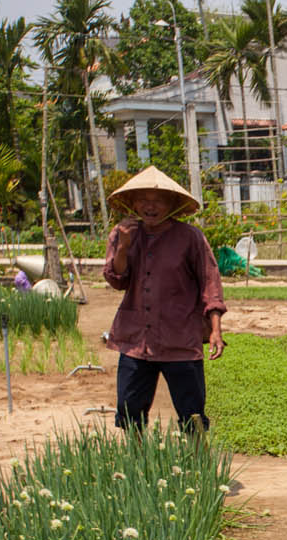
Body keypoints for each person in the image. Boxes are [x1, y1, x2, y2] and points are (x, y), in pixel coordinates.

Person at [102, 166, 226, 432]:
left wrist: (215, 329)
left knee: (192, 412)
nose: (150, 206)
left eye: (158, 200)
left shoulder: (190, 238)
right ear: (133, 203)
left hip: (179, 338)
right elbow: (117, 280)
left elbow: (210, 283)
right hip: (136, 339)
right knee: (129, 409)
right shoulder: (122, 234)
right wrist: (123, 246)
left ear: (171, 203)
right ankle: (137, 463)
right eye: (143, 199)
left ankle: (197, 464)